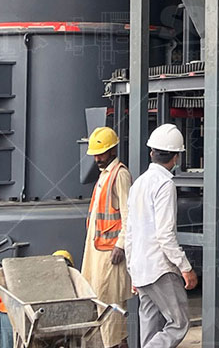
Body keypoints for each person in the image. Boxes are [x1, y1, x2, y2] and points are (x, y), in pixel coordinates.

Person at [124, 124, 197, 348]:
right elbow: (165, 234)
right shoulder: (165, 185)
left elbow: (129, 231)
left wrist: (132, 270)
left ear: (151, 153)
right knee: (179, 323)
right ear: (176, 157)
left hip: (140, 268)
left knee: (149, 327)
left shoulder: (138, 183)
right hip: (159, 269)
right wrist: (185, 267)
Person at [81, 126, 132, 348]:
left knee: (110, 303)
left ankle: (115, 345)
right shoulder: (104, 175)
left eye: (101, 154)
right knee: (98, 300)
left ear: (112, 150)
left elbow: (129, 215)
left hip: (110, 253)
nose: (97, 158)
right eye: (95, 155)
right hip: (97, 250)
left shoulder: (120, 175)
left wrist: (121, 245)